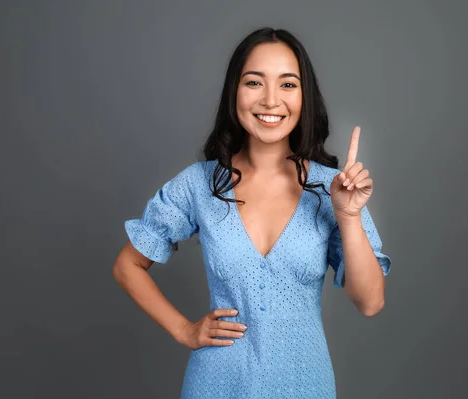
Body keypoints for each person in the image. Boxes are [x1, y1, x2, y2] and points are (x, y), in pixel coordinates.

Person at [112, 27, 392, 399]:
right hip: (215, 384)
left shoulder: (333, 188)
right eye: (254, 82)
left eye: (288, 85)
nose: (271, 100)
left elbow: (370, 302)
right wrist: (183, 330)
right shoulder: (198, 185)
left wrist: (349, 215)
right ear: (235, 92)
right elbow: (127, 266)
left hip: (304, 385)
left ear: (305, 96)